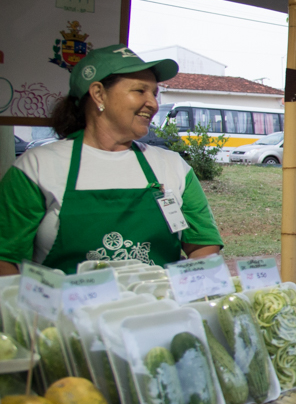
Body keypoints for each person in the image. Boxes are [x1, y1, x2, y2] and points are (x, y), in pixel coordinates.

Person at [0, 46, 223, 275]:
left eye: (154, 94)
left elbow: (202, 243)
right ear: (98, 94)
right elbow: (5, 257)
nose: (154, 104)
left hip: (159, 307)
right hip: (64, 309)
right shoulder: (36, 167)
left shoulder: (174, 166)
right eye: (140, 91)